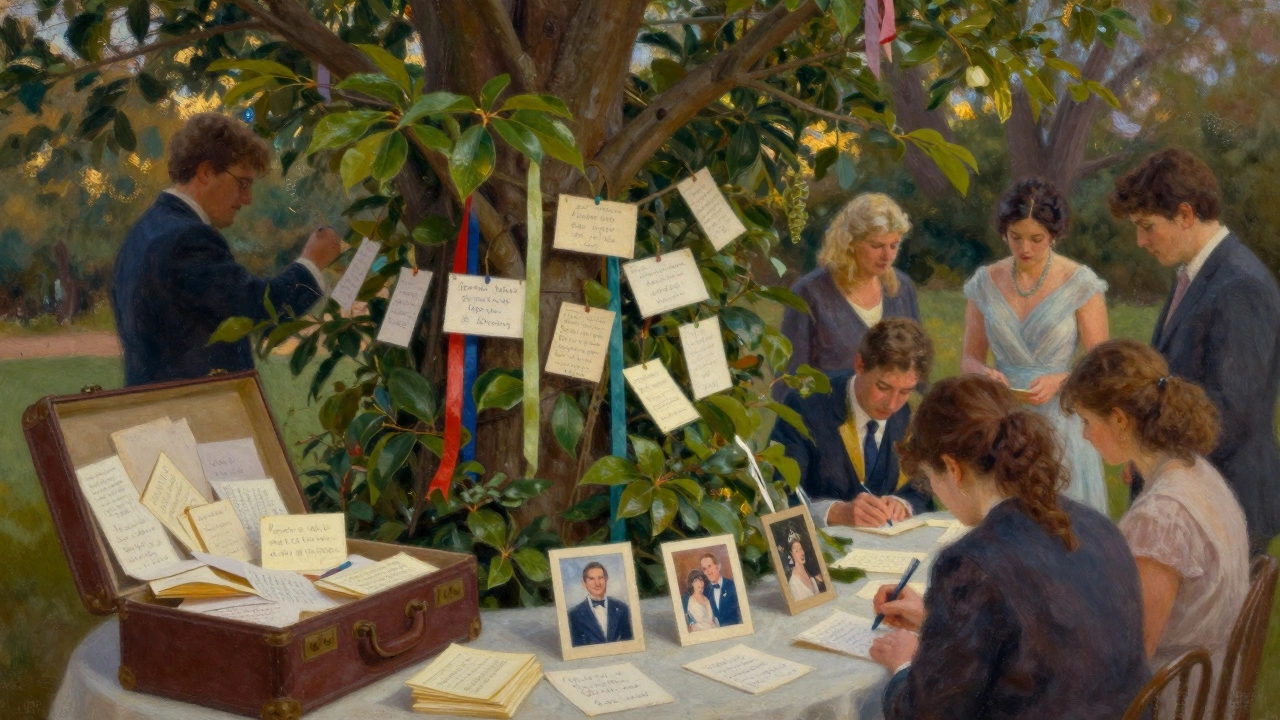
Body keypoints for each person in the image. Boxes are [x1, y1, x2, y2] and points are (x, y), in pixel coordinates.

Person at [869, 374, 1149, 719]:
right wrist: (937, 622)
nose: (936, 491)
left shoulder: (971, 563)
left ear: (954, 469)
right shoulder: (1098, 526)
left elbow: (927, 713)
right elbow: (1042, 642)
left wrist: (902, 666)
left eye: (931, 477)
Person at [1110, 147, 1280, 554]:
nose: (1140, 241)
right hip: (1191, 491)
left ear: (1186, 215)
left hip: (1227, 500)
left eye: (1148, 226)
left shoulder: (1241, 285)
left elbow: (1234, 412)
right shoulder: (1196, 271)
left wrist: (1151, 450)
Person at [1062, 340, 1249, 697]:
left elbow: (1130, 656)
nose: (1084, 436)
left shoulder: (1161, 518)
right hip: (1207, 680)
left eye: (1087, 422)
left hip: (1174, 699)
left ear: (1119, 419)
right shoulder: (1197, 472)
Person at [112, 112, 342, 386]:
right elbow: (257, 308)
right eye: (243, 183)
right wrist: (312, 263)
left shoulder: (147, 230)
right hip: (195, 412)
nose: (247, 199)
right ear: (206, 172)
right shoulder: (186, 239)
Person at [961, 178, 1110, 514]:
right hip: (1006, 420)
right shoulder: (985, 282)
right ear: (1004, 233)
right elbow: (969, 358)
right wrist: (986, 373)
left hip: (1062, 422)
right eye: (1016, 237)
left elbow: (1101, 361)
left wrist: (1061, 380)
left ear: (1054, 235)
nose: (1025, 248)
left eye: (1036, 239)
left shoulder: (1079, 282)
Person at [770, 318, 934, 528]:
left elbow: (923, 491)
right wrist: (834, 512)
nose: (892, 404)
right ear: (859, 365)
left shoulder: (911, 413)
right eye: (883, 387)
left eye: (904, 391)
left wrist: (903, 504)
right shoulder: (806, 406)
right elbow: (778, 495)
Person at [779, 193, 919, 379]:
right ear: (850, 243)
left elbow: (917, 369)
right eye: (877, 246)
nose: (887, 256)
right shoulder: (809, 294)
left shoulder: (902, 289)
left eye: (894, 245)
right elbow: (788, 380)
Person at [567, 561, 634, 647]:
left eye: (600, 578)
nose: (597, 583)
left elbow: (629, 640)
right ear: (584, 583)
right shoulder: (574, 615)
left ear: (606, 580)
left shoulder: (622, 608)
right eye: (591, 579)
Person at [699, 552, 742, 627]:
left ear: (718, 566)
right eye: (704, 569)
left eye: (710, 566)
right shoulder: (705, 592)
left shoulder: (733, 586)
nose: (708, 572)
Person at [783, 533, 824, 600]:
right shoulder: (793, 583)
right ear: (791, 554)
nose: (801, 553)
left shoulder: (812, 578)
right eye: (796, 551)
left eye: (801, 549)